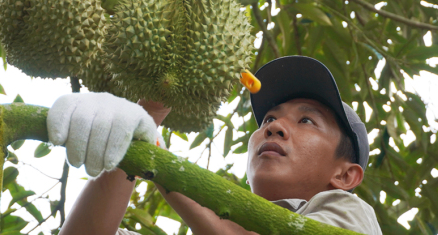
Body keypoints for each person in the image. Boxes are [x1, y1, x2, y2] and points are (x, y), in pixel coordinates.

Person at [47, 56, 382, 235]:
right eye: (267, 121)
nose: (275, 127)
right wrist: (140, 124)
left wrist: (158, 161)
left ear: (345, 175)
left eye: (306, 121)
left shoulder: (352, 217)